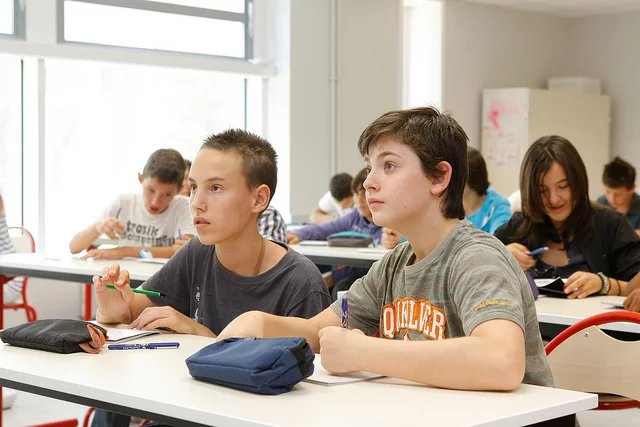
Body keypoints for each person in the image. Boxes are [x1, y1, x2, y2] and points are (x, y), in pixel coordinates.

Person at [218, 107, 554, 393]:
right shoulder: (394, 264)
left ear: (439, 178)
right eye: (369, 168)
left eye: (389, 166)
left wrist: (365, 352)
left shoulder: (476, 256)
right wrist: (261, 322)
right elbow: (322, 332)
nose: (368, 183)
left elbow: (502, 361)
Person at [91, 129, 330, 427]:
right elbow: (133, 307)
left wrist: (195, 331)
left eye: (215, 188)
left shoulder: (301, 283)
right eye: (193, 188)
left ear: (259, 198)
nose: (196, 203)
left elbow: (305, 401)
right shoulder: (198, 252)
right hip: (191, 409)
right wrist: (115, 307)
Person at [495, 136, 640, 299]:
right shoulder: (520, 225)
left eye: (563, 186)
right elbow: (474, 267)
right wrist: (500, 257)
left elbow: (636, 287)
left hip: (599, 324)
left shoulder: (610, 224)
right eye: (542, 190)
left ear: (578, 181)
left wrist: (604, 284)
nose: (554, 199)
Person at [288, 169, 401, 299]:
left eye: (364, 193)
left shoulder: (390, 219)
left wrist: (395, 240)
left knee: (340, 288)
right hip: (351, 273)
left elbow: (377, 266)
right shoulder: (355, 216)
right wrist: (297, 234)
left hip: (376, 281)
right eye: (355, 193)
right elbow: (325, 229)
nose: (359, 200)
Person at [69, 149, 195, 260]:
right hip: (126, 277)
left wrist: (123, 251)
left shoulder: (183, 206)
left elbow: (181, 250)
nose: (155, 201)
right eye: (150, 190)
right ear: (140, 179)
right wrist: (97, 227)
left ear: (180, 189)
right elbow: (74, 248)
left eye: (167, 194)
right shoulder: (123, 203)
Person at [464, 147, 512, 234]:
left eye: (456, 176)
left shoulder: (498, 207)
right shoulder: (446, 205)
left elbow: (501, 240)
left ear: (473, 179)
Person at [596, 156, 640, 235]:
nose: (611, 199)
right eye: (608, 192)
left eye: (618, 194)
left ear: (632, 188)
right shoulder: (601, 203)